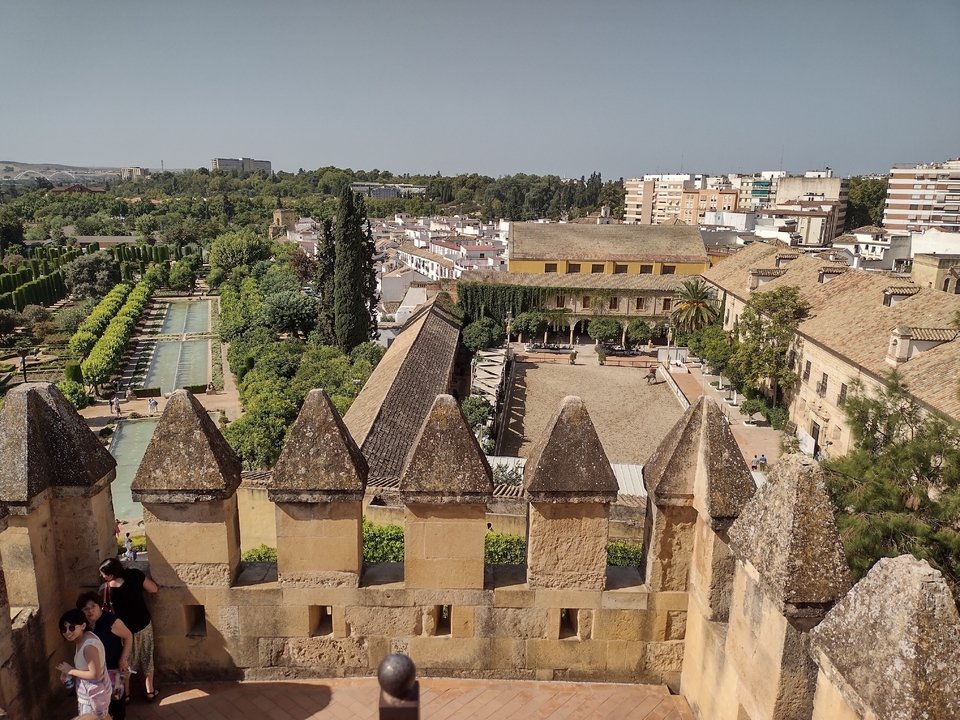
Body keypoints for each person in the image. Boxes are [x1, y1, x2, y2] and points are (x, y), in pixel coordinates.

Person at [99, 557, 159, 702]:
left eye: (104, 575)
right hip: (143, 624)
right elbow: (153, 589)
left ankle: (126, 694)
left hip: (123, 630)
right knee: (147, 656)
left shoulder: (104, 590)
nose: (103, 577)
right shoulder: (135, 575)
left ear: (111, 575)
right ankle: (150, 690)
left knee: (125, 660)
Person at [77, 592, 133, 720]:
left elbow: (128, 636)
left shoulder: (110, 621)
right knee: (99, 703)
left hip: (112, 668)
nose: (90, 611)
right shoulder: (84, 624)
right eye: (86, 608)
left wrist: (123, 658)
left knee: (115, 701)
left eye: (93, 606)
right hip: (96, 671)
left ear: (99, 606)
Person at [56, 608, 112, 719]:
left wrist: (71, 670)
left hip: (93, 696)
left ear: (83, 626)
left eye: (72, 627)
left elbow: (95, 675)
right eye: (64, 629)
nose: (67, 632)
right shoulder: (84, 638)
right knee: (104, 716)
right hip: (97, 693)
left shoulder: (89, 646)